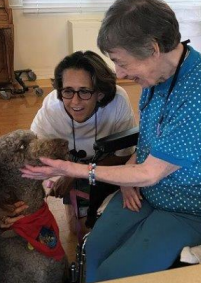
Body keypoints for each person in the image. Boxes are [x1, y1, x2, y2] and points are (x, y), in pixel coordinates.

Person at [21, 0, 201, 283]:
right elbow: (149, 144)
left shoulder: (199, 91)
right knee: (93, 250)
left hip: (198, 204)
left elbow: (152, 172)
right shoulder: (157, 76)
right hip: (151, 192)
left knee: (114, 275)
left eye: (122, 61)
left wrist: (70, 168)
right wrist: (128, 173)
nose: (119, 73)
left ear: (153, 48)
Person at [30, 50, 136, 229]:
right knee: (75, 229)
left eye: (85, 92)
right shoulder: (52, 107)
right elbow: (34, 152)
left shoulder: (118, 101)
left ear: (100, 93)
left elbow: (124, 156)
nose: (75, 102)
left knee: (102, 226)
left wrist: (73, 173)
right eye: (68, 91)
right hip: (67, 164)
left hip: (105, 165)